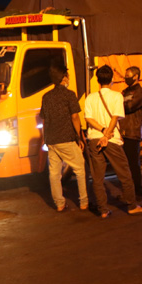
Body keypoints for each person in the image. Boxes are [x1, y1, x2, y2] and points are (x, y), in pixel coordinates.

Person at [85, 65, 142, 218]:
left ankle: (103, 210)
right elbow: (115, 117)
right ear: (111, 79)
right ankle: (132, 206)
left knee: (98, 177)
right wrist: (107, 133)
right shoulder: (117, 96)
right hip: (111, 139)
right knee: (124, 173)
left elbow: (88, 118)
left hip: (93, 139)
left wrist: (101, 130)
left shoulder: (90, 97)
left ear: (98, 80)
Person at [40, 63, 87, 212]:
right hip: (66, 138)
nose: (69, 78)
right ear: (64, 77)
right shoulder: (69, 95)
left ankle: (59, 204)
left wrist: (45, 138)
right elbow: (75, 117)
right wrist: (79, 136)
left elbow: (44, 119)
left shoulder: (46, 97)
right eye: (67, 75)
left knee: (54, 173)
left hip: (52, 140)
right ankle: (84, 201)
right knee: (80, 168)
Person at [121, 65, 142, 201]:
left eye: (128, 75)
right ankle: (129, 191)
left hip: (133, 131)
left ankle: (138, 192)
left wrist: (118, 105)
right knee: (125, 164)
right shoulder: (125, 91)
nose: (126, 77)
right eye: (125, 75)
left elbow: (129, 106)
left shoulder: (139, 92)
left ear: (136, 76)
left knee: (133, 163)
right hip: (124, 131)